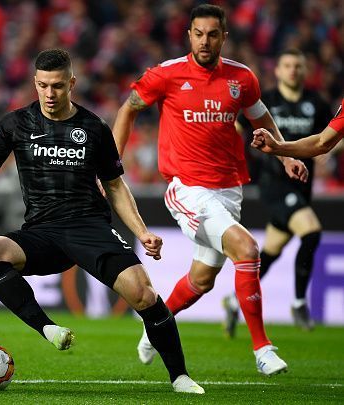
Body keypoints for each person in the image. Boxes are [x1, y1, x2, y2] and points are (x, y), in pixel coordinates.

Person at [0, 49, 205, 394]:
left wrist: (141, 231)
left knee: (143, 294)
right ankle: (47, 329)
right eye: (43, 86)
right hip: (41, 232)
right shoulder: (16, 124)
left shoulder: (93, 127)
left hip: (90, 227)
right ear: (34, 83)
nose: (50, 95)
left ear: (72, 84)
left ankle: (180, 377)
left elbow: (114, 184)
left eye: (58, 86)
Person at [112, 4, 308, 376]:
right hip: (187, 190)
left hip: (229, 190)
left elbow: (260, 116)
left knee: (201, 280)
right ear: (189, 35)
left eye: (212, 34)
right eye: (198, 33)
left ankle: (155, 325)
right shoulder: (166, 74)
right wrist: (112, 163)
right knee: (247, 247)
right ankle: (262, 349)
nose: (205, 41)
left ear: (223, 37)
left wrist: (284, 156)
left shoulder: (242, 78)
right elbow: (128, 108)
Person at [222, 49, 334, 336]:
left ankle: (234, 302)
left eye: (298, 65)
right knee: (311, 232)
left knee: (271, 251)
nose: (293, 70)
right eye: (287, 65)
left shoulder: (317, 103)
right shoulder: (267, 102)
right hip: (273, 182)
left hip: (302, 183)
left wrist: (329, 152)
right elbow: (238, 125)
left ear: (305, 70)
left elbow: (328, 138)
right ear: (278, 71)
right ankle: (298, 302)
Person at [252, 98, 344, 158]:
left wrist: (277, 147)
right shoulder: (268, 98)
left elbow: (322, 143)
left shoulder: (317, 101)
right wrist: (277, 147)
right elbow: (321, 143)